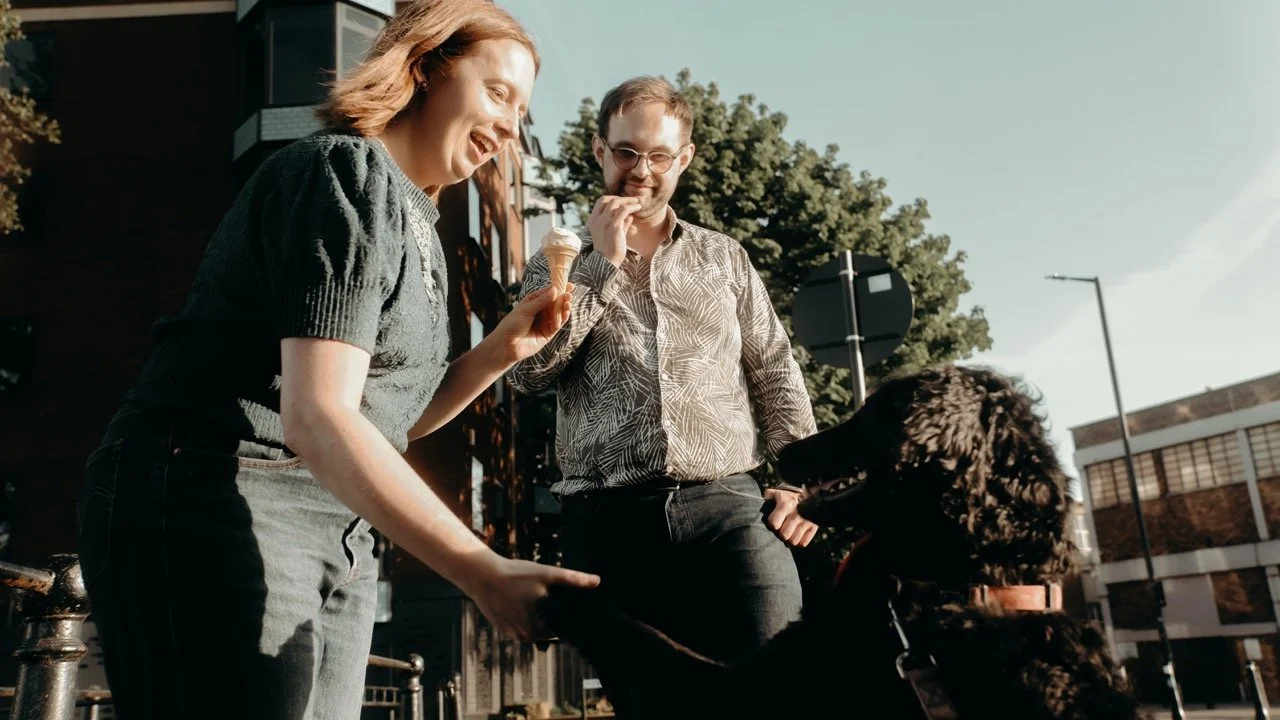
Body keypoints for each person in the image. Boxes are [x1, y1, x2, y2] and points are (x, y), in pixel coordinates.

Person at [74, 1, 598, 717]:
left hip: (340, 527)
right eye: (498, 93)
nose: (510, 126)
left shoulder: (418, 222)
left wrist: (502, 349)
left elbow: (381, 423)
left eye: (521, 106)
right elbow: (318, 414)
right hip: (216, 491)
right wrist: (481, 567)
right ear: (423, 68)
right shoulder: (342, 173)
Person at [507, 76, 818, 714]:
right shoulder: (554, 262)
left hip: (730, 508)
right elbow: (530, 375)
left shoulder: (724, 258)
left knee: (783, 686)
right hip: (609, 522)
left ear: (685, 159)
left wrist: (802, 480)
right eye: (626, 153)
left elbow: (774, 369)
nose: (640, 172)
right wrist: (599, 264)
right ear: (599, 152)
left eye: (658, 156)